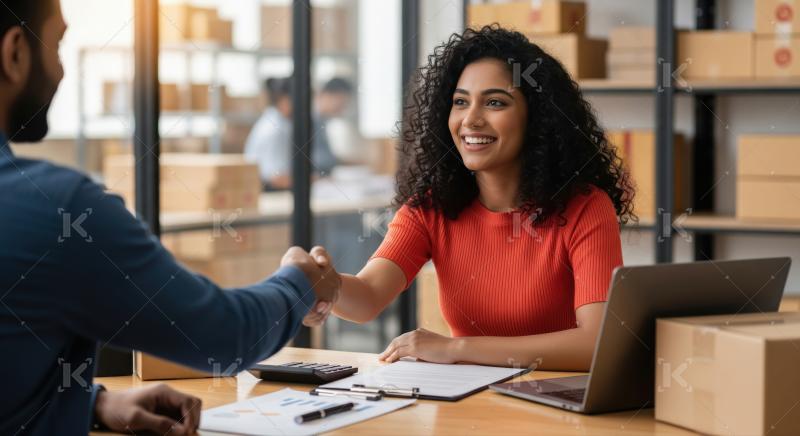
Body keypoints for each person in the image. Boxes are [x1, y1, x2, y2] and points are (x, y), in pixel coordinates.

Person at [0, 1, 338, 434]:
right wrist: (299, 280)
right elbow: (223, 336)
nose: (62, 71)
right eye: (58, 44)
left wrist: (92, 405)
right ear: (15, 52)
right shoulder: (58, 209)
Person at [304, 26, 636, 372]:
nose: (471, 120)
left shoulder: (585, 207)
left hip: (556, 407)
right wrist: (327, 284)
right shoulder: (431, 208)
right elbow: (368, 297)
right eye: (460, 102)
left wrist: (458, 348)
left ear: (537, 118)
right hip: (467, 403)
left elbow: (596, 342)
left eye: (495, 102)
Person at [244, 77, 353, 189]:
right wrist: (319, 180)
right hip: (269, 193)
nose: (306, 108)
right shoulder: (274, 129)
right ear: (284, 100)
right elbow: (278, 179)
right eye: (303, 101)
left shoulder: (283, 122)